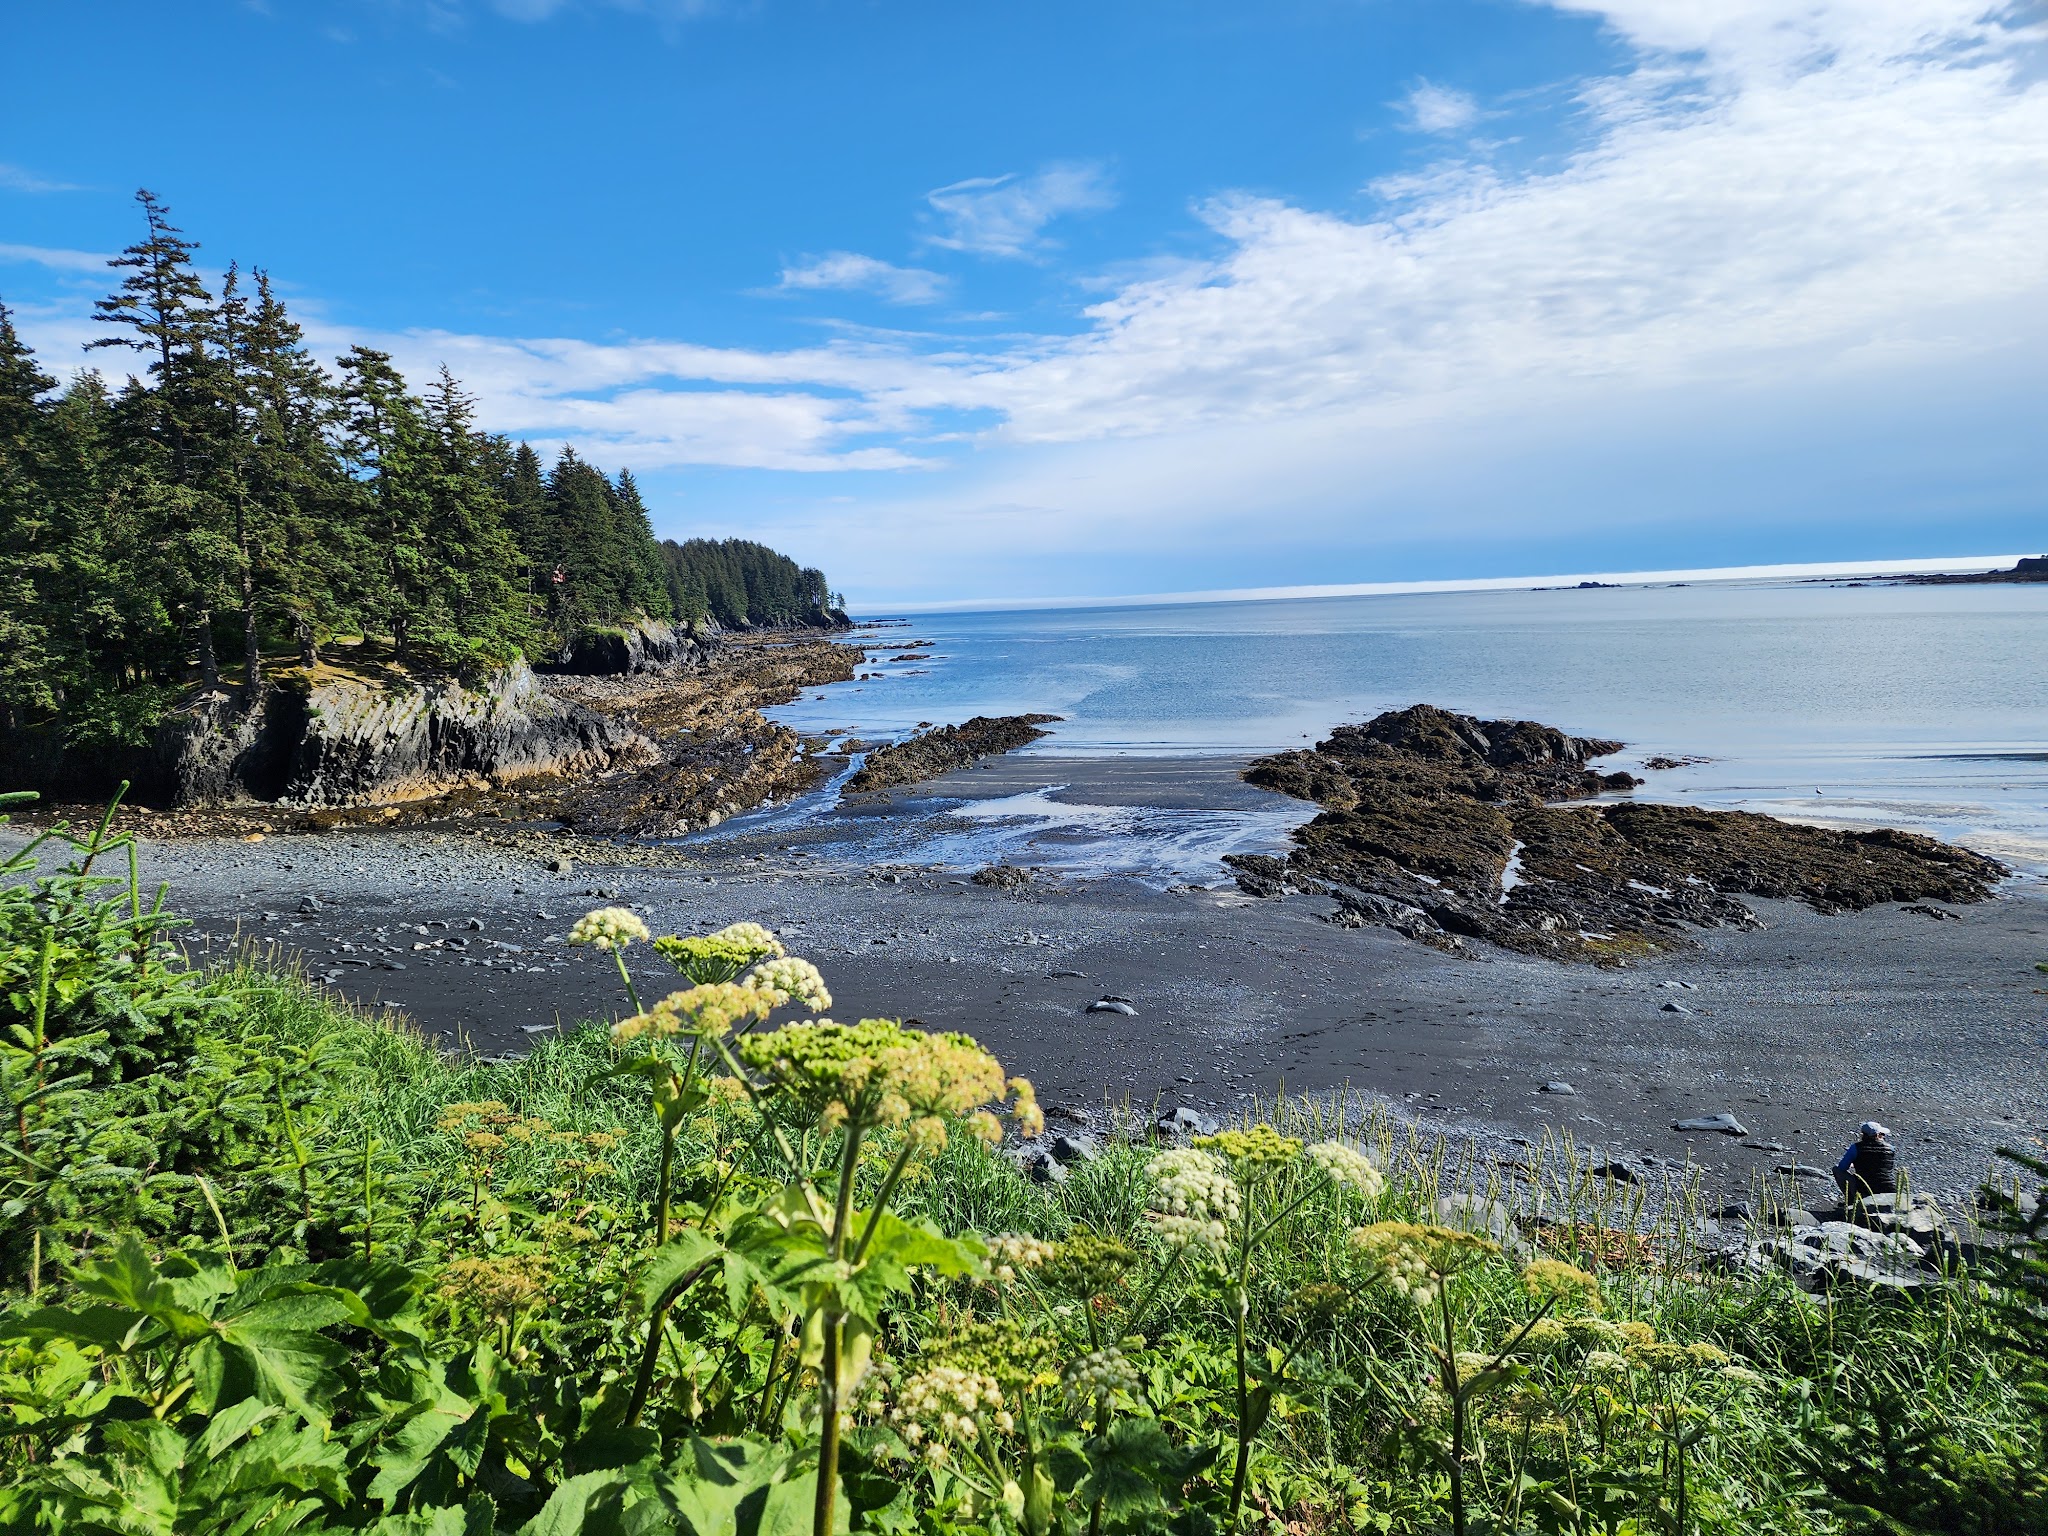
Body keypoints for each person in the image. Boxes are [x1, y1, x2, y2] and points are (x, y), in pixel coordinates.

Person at [1834, 1121, 1897, 1202]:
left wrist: (1854, 1162)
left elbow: (1842, 1168)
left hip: (1864, 1189)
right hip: (1889, 1189)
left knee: (1836, 1170)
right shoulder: (1890, 1148)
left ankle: (1851, 1201)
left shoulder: (1856, 1148)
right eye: (1882, 1134)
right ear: (1878, 1135)